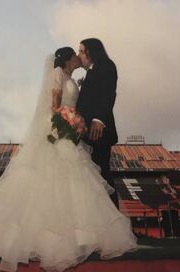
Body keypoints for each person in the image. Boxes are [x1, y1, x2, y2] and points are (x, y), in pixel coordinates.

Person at [0, 47, 138, 272]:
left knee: (74, 181)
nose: (77, 57)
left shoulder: (70, 77)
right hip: (57, 128)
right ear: (66, 59)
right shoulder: (56, 74)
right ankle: (52, 238)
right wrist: (71, 119)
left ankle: (79, 235)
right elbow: (54, 106)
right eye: (74, 54)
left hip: (70, 128)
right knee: (58, 175)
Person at [76, 38, 119, 209]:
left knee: (102, 174)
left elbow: (108, 93)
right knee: (93, 177)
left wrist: (98, 120)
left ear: (91, 52)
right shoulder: (90, 72)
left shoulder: (107, 66)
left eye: (81, 50)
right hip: (85, 132)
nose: (78, 54)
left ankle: (115, 223)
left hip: (98, 131)